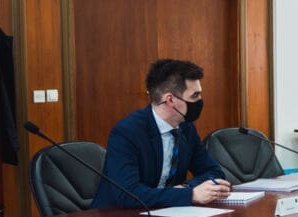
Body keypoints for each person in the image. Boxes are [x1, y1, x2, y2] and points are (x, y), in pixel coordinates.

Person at [92, 59, 231, 208]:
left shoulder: (186, 128)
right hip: (117, 216)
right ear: (170, 100)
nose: (200, 100)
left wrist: (185, 188)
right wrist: (189, 194)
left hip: (167, 212)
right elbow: (128, 194)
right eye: (195, 96)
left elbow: (214, 172)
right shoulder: (127, 132)